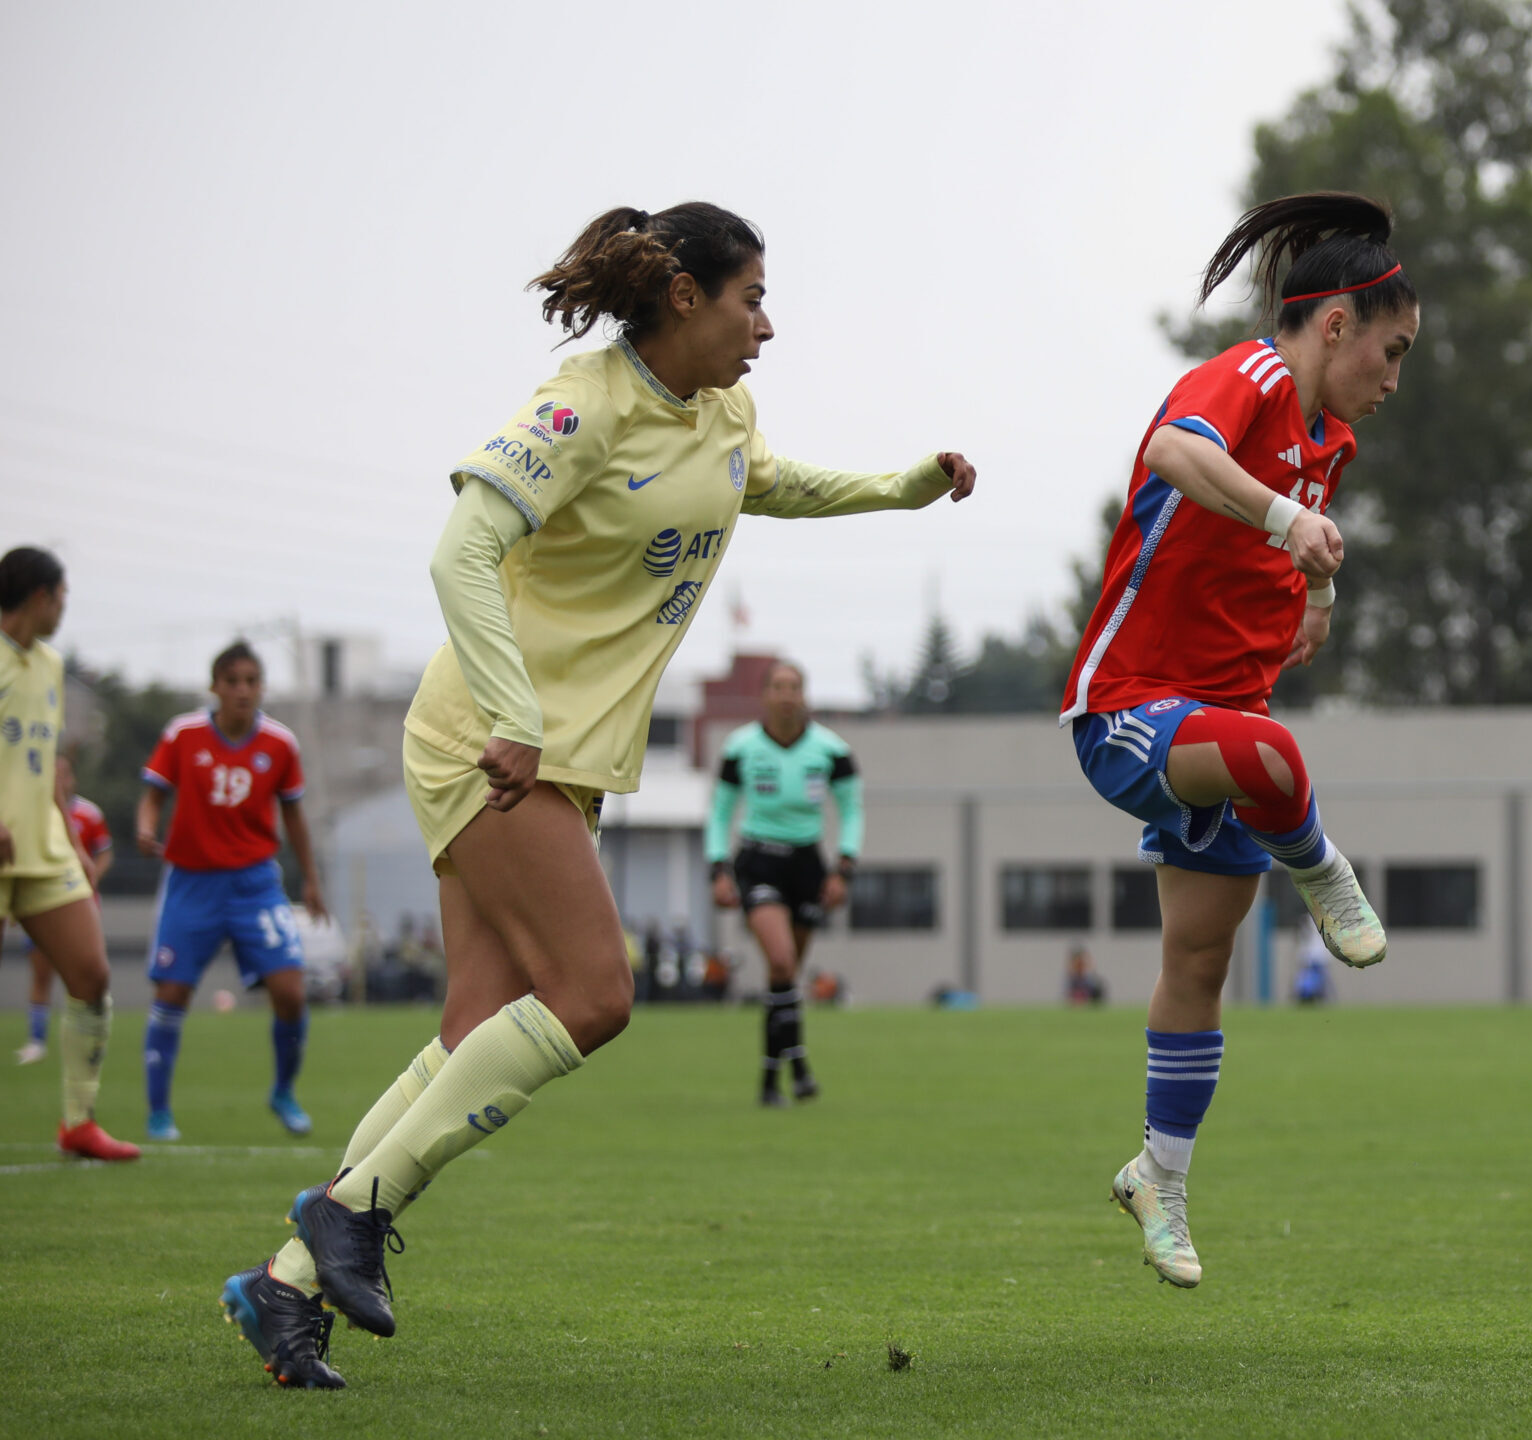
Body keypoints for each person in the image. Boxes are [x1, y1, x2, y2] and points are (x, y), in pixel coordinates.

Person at [218, 202, 978, 1389]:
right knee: (595, 996)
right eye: (752, 299)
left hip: (552, 754)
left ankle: (285, 1286)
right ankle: (348, 1212)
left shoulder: (722, 409)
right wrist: (518, 717)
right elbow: (455, 553)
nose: (767, 327)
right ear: (686, 299)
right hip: (489, 738)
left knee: (479, 1024)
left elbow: (764, 480)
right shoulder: (582, 405)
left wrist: (903, 485)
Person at [1060, 192, 1412, 1289]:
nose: (1396, 375)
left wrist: (1315, 598)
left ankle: (1158, 1178)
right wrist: (1284, 521)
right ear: (1337, 322)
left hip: (1223, 713)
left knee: (1199, 963)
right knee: (1279, 767)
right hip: (1130, 705)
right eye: (1391, 349)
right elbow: (1172, 449)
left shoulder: (1332, 437)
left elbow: (1302, 533)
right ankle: (1325, 870)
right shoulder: (1252, 376)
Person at [133, 641, 328, 1141]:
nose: (243, 690)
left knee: (290, 993)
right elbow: (153, 796)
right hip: (191, 880)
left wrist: (310, 878)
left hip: (255, 882)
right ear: (215, 686)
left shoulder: (281, 744)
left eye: (252, 680)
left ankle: (283, 1091)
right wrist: (146, 825)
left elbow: (295, 817)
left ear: (261, 686)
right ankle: (159, 1114)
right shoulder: (184, 734)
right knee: (172, 992)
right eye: (233, 680)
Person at [0, 547, 139, 1161]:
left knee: (91, 976)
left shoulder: (50, 664)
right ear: (39, 597)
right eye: (61, 596)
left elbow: (50, 767)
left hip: (45, 849)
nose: (64, 608)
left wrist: (69, 834)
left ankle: (79, 1123)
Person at [707, 660, 859, 1105]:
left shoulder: (831, 750)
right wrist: (718, 869)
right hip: (758, 862)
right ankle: (800, 1067)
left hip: (807, 865)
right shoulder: (741, 747)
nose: (787, 694)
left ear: (805, 694)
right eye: (779, 686)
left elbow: (852, 810)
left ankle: (773, 1079)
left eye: (795, 686)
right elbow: (719, 813)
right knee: (780, 961)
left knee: (785, 978)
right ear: (765, 695)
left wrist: (843, 868)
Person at [14, 751, 114, 1065]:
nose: (60, 780)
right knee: (41, 976)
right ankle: (37, 1041)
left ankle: (88, 1049)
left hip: (79, 901)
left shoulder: (88, 814)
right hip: (42, 900)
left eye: (64, 774)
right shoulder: (29, 812)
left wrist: (91, 873)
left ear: (72, 778)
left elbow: (105, 852)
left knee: (87, 977)